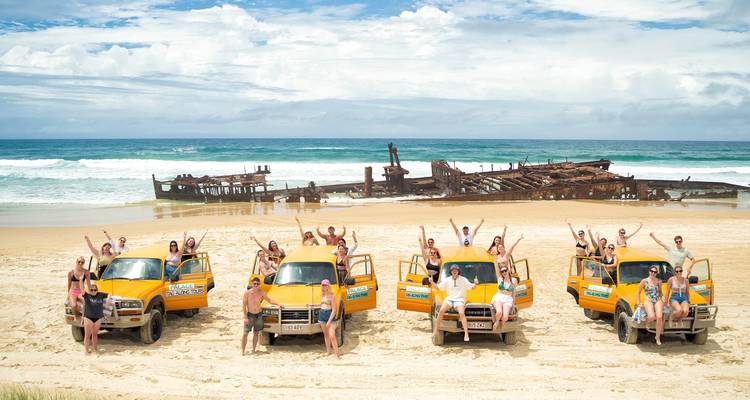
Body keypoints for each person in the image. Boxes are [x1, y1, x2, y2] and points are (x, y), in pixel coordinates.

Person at [429, 265, 478, 342]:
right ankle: (436, 330)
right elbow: (438, 288)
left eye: (456, 270)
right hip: (449, 299)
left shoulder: (463, 279)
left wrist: (475, 284)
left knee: (461, 313)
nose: (454, 271)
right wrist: (432, 282)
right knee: (441, 311)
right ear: (451, 272)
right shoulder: (447, 280)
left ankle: (466, 333)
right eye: (453, 270)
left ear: (458, 271)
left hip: (459, 299)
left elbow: (472, 287)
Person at [242, 277, 282, 355]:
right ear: (252, 284)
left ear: (259, 284)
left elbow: (269, 300)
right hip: (250, 315)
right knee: (245, 334)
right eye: (254, 284)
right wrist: (245, 317)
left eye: (257, 284)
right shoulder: (247, 293)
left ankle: (253, 349)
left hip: (258, 315)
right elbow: (244, 305)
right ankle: (243, 351)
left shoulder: (261, 292)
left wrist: (278, 304)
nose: (256, 285)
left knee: (256, 333)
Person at [308, 279, 341, 358]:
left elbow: (334, 310)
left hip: (330, 315)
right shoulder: (322, 295)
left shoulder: (332, 296)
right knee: (326, 335)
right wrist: (310, 305)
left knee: (332, 335)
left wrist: (329, 321)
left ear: (328, 286)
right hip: (322, 315)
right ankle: (328, 351)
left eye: (325, 285)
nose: (324, 286)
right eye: (322, 285)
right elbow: (321, 305)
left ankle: (337, 354)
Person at [80, 281, 110, 355]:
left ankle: (95, 349)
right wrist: (81, 280)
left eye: (95, 289)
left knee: (95, 335)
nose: (93, 291)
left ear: (97, 290)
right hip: (88, 318)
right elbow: (81, 288)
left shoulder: (100, 295)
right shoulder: (86, 295)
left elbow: (109, 294)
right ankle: (86, 351)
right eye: (92, 290)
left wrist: (108, 300)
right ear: (89, 290)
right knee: (87, 336)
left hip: (98, 318)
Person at [637, 266, 665, 345]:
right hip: (648, 300)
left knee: (659, 317)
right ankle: (648, 321)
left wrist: (664, 299)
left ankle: (657, 337)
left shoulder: (659, 281)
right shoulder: (644, 281)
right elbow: (638, 292)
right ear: (649, 271)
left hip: (657, 300)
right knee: (652, 316)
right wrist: (638, 303)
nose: (653, 273)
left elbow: (660, 292)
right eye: (651, 271)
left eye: (655, 272)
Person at [664, 262, 691, 328]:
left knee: (686, 312)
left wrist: (688, 300)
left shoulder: (686, 280)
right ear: (674, 272)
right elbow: (667, 291)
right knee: (679, 310)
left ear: (682, 271)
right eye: (677, 271)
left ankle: (679, 319)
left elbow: (687, 291)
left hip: (683, 297)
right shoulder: (671, 279)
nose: (679, 272)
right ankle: (671, 317)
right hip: (674, 297)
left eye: (680, 271)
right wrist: (666, 302)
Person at [492, 265, 517, 330]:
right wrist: (495, 257)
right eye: (502, 271)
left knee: (505, 317)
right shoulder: (500, 279)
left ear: (508, 271)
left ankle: (502, 322)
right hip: (499, 297)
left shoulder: (514, 280)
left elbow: (514, 293)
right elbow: (496, 267)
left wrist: (513, 304)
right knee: (499, 312)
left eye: (505, 270)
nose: (504, 272)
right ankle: (497, 322)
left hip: (508, 299)